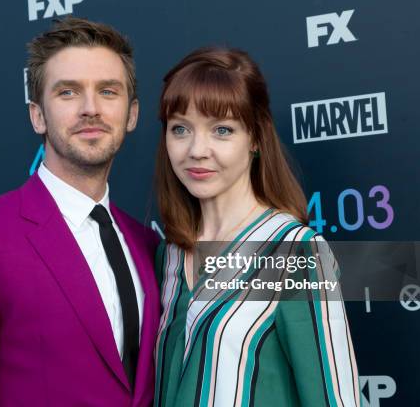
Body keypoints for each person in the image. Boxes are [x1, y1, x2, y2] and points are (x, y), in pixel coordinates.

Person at [0, 17, 160, 406]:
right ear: (37, 115)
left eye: (108, 91)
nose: (90, 109)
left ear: (131, 114)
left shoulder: (147, 245)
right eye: (68, 92)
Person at [153, 47, 360, 406]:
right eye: (180, 129)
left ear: (255, 138)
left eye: (222, 130)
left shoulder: (295, 250)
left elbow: (335, 398)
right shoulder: (168, 254)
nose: (197, 150)